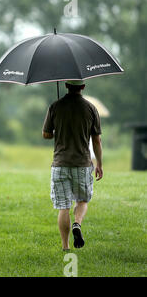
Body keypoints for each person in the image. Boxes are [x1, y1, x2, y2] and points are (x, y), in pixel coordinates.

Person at [42, 80, 103, 251]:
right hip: (82, 164)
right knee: (82, 200)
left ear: (66, 86)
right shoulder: (91, 108)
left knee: (63, 206)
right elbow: (97, 140)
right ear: (83, 87)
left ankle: (65, 246)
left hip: (60, 164)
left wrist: (57, 130)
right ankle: (77, 223)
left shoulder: (55, 106)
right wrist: (99, 163)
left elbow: (46, 134)